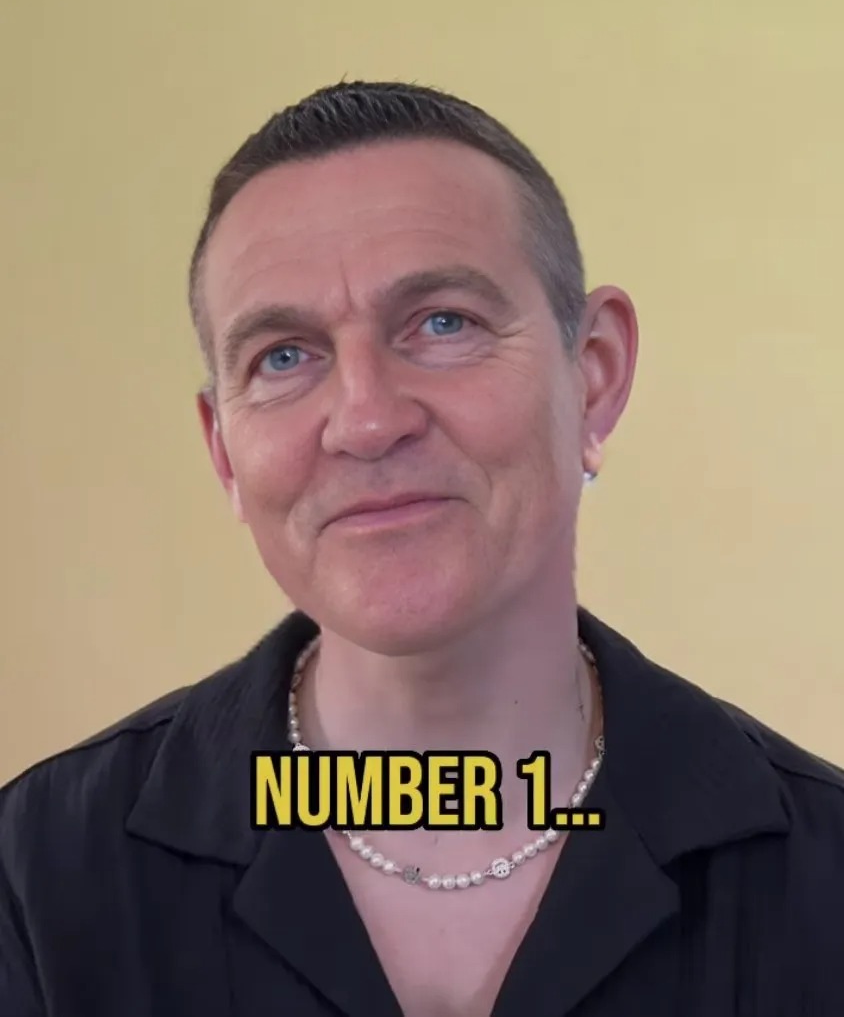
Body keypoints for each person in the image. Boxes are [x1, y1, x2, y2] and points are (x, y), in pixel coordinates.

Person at [1, 79, 843, 1017]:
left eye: (444, 323)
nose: (366, 421)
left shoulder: (825, 880)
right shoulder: (37, 879)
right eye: (283, 356)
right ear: (224, 451)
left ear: (595, 376)